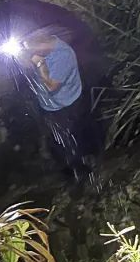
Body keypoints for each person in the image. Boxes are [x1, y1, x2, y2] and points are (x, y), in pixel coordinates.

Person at [18, 33, 97, 179]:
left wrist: (40, 64)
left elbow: (51, 86)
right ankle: (70, 165)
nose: (32, 53)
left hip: (66, 105)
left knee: (71, 138)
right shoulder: (41, 49)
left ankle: (81, 171)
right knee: (58, 138)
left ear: (44, 45)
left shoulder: (63, 56)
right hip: (49, 105)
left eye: (34, 50)